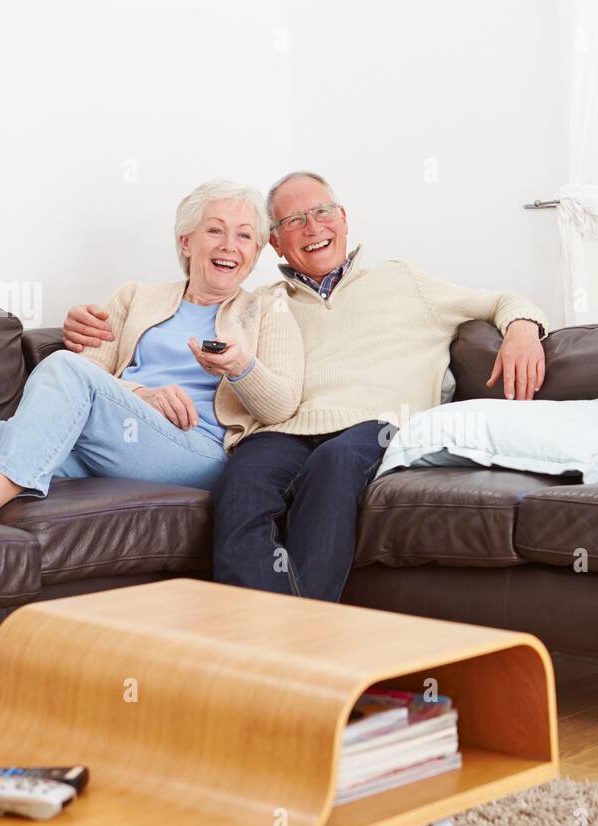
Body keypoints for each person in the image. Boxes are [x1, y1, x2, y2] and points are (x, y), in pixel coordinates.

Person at [61, 171, 547, 601]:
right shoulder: (260, 303)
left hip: (377, 425)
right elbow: (176, 329)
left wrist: (523, 328)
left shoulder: (404, 281)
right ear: (273, 243)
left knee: (335, 463)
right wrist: (88, 330)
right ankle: (264, 636)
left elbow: (502, 299)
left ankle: (299, 640)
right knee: (242, 483)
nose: (312, 228)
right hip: (284, 429)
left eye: (321, 213)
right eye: (293, 222)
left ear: (343, 217)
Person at [0, 178, 303, 521]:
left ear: (255, 253)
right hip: (123, 436)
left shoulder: (270, 309)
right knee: (11, 431)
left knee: (58, 371)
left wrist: (240, 366)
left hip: (199, 451)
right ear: (186, 241)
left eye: (244, 236)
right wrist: (137, 395)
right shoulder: (135, 298)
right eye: (214, 230)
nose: (228, 245)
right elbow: (92, 373)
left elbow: (281, 405)